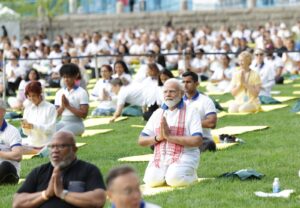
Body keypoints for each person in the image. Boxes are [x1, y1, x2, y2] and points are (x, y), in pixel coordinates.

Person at [13, 131, 106, 208]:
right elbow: (17, 203)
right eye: (52, 146)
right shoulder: (39, 171)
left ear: (74, 149)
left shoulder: (88, 170)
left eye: (61, 146)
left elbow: (98, 200)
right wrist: (46, 194)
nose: (55, 150)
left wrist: (63, 194)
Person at [138, 78, 203, 187]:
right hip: (161, 156)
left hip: (185, 155)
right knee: (151, 182)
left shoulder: (191, 111)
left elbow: (198, 140)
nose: (168, 94)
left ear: (181, 93)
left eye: (172, 91)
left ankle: (192, 176)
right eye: (165, 91)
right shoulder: (157, 113)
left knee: (174, 180)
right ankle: (166, 173)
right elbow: (141, 140)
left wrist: (170, 137)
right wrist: (158, 138)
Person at [182, 71, 217, 152]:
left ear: (196, 84)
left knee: (209, 144)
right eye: (183, 82)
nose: (185, 85)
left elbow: (212, 123)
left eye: (188, 82)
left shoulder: (206, 101)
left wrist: (190, 123)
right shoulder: (177, 101)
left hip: (201, 138)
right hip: (182, 138)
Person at [21, 81, 57, 154]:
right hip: (31, 144)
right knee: (12, 146)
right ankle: (37, 152)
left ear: (40, 94)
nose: (31, 98)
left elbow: (50, 130)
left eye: (33, 95)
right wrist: (25, 127)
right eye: (29, 96)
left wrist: (34, 126)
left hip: (46, 143)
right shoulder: (28, 109)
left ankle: (41, 151)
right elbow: (26, 133)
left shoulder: (50, 108)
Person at [55, 63, 89, 136]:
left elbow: (84, 114)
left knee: (60, 135)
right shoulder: (59, 92)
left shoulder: (82, 92)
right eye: (64, 77)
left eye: (69, 77)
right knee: (47, 132)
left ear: (76, 76)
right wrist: (62, 107)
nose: (66, 79)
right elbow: (55, 115)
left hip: (77, 123)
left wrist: (68, 106)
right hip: (63, 121)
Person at [0, 99, 22, 185]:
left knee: (5, 165)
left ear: (3, 112)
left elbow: (17, 156)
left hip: (8, 171)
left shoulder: (12, 131)